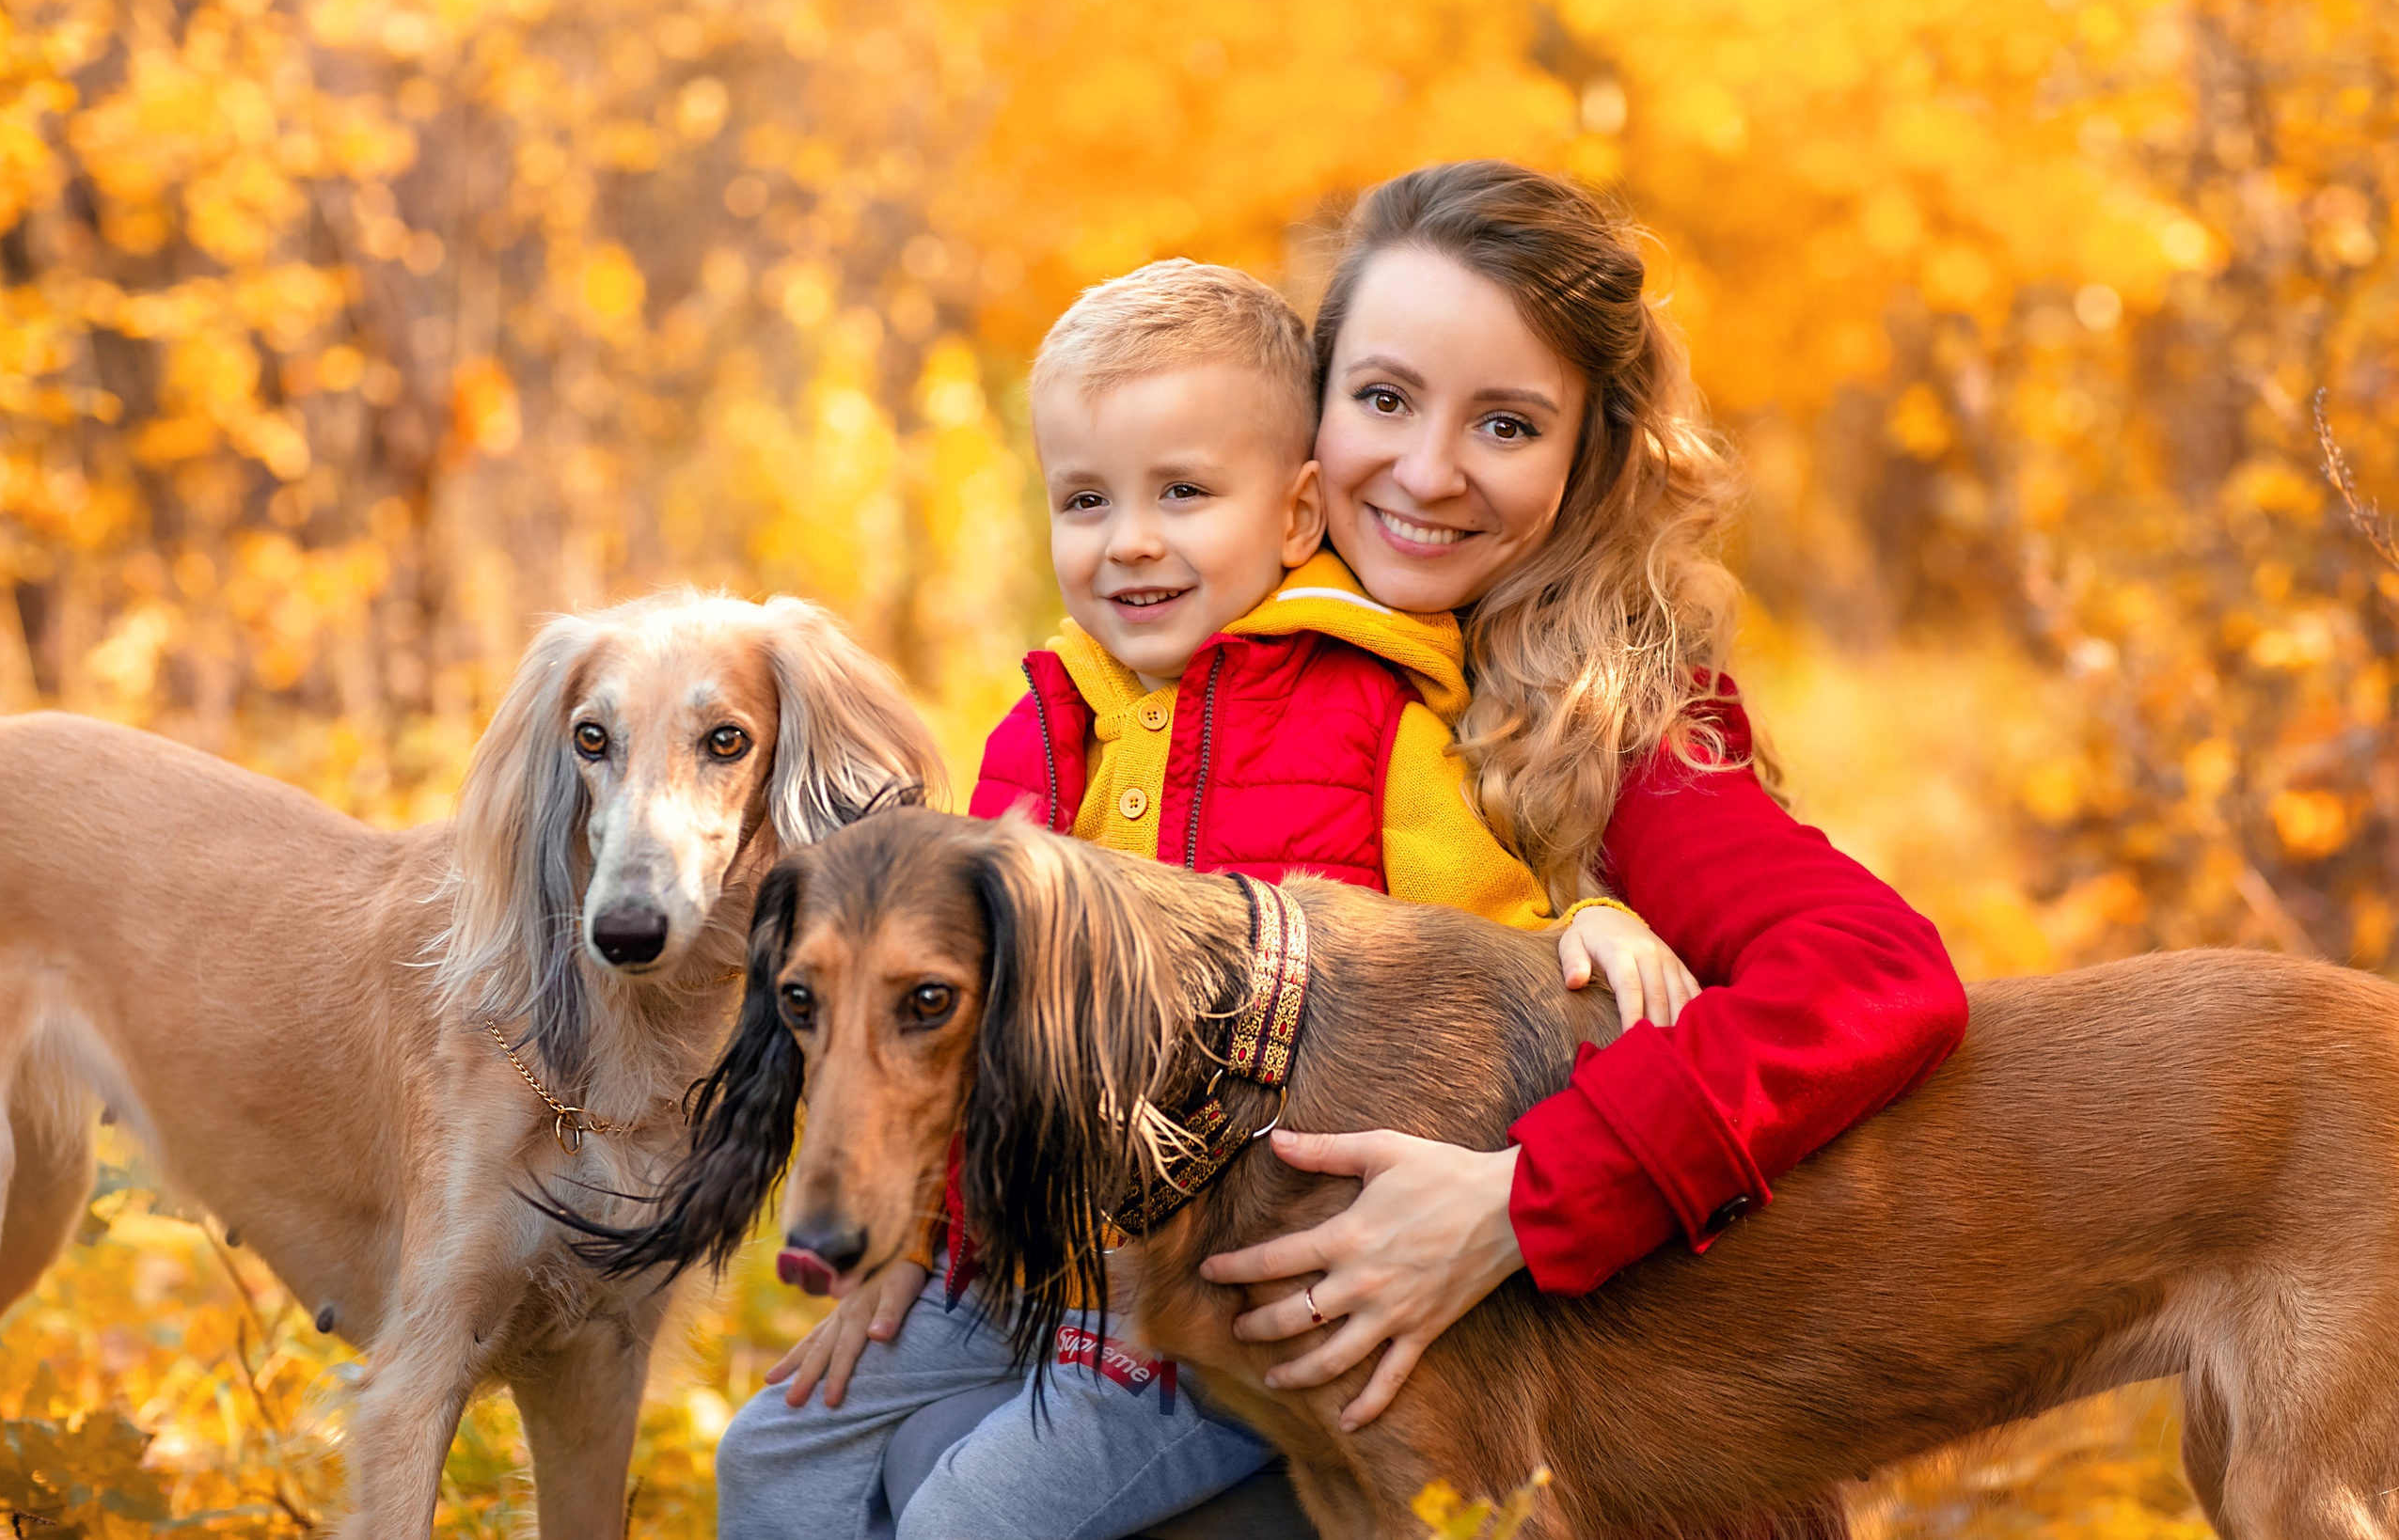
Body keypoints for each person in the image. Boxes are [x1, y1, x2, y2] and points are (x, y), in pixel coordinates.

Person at [711, 256, 1703, 1540]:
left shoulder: (1371, 719)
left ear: (1296, 517)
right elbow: (955, 1038)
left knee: (970, 1515)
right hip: (1013, 1261)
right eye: (1084, 500)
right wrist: (905, 1250)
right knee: (769, 1457)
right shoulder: (1037, 742)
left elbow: (1484, 962)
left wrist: (1588, 921)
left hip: (1220, 1280)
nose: (1128, 540)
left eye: (1181, 494)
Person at [1194, 160, 1970, 1458]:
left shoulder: (1613, 721)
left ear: (1587, 454)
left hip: (1541, 1446)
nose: (1429, 472)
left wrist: (1524, 1200)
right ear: (1309, 408)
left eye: (1506, 425)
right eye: (1384, 399)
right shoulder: (1213, 651)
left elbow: (1878, 976)